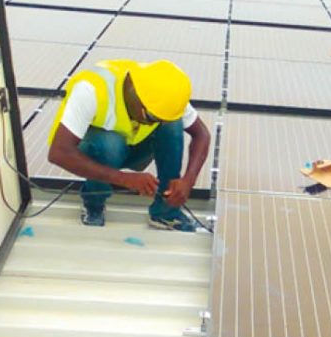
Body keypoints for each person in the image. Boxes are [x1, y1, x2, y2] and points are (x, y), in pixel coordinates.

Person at [47, 58, 212, 232]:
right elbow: (59, 153)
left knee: (171, 124)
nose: (153, 123)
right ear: (134, 94)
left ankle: (166, 212)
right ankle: (93, 203)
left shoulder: (163, 93)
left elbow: (202, 134)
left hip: (135, 147)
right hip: (100, 152)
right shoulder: (91, 89)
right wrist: (124, 179)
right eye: (152, 118)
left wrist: (188, 180)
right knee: (110, 144)